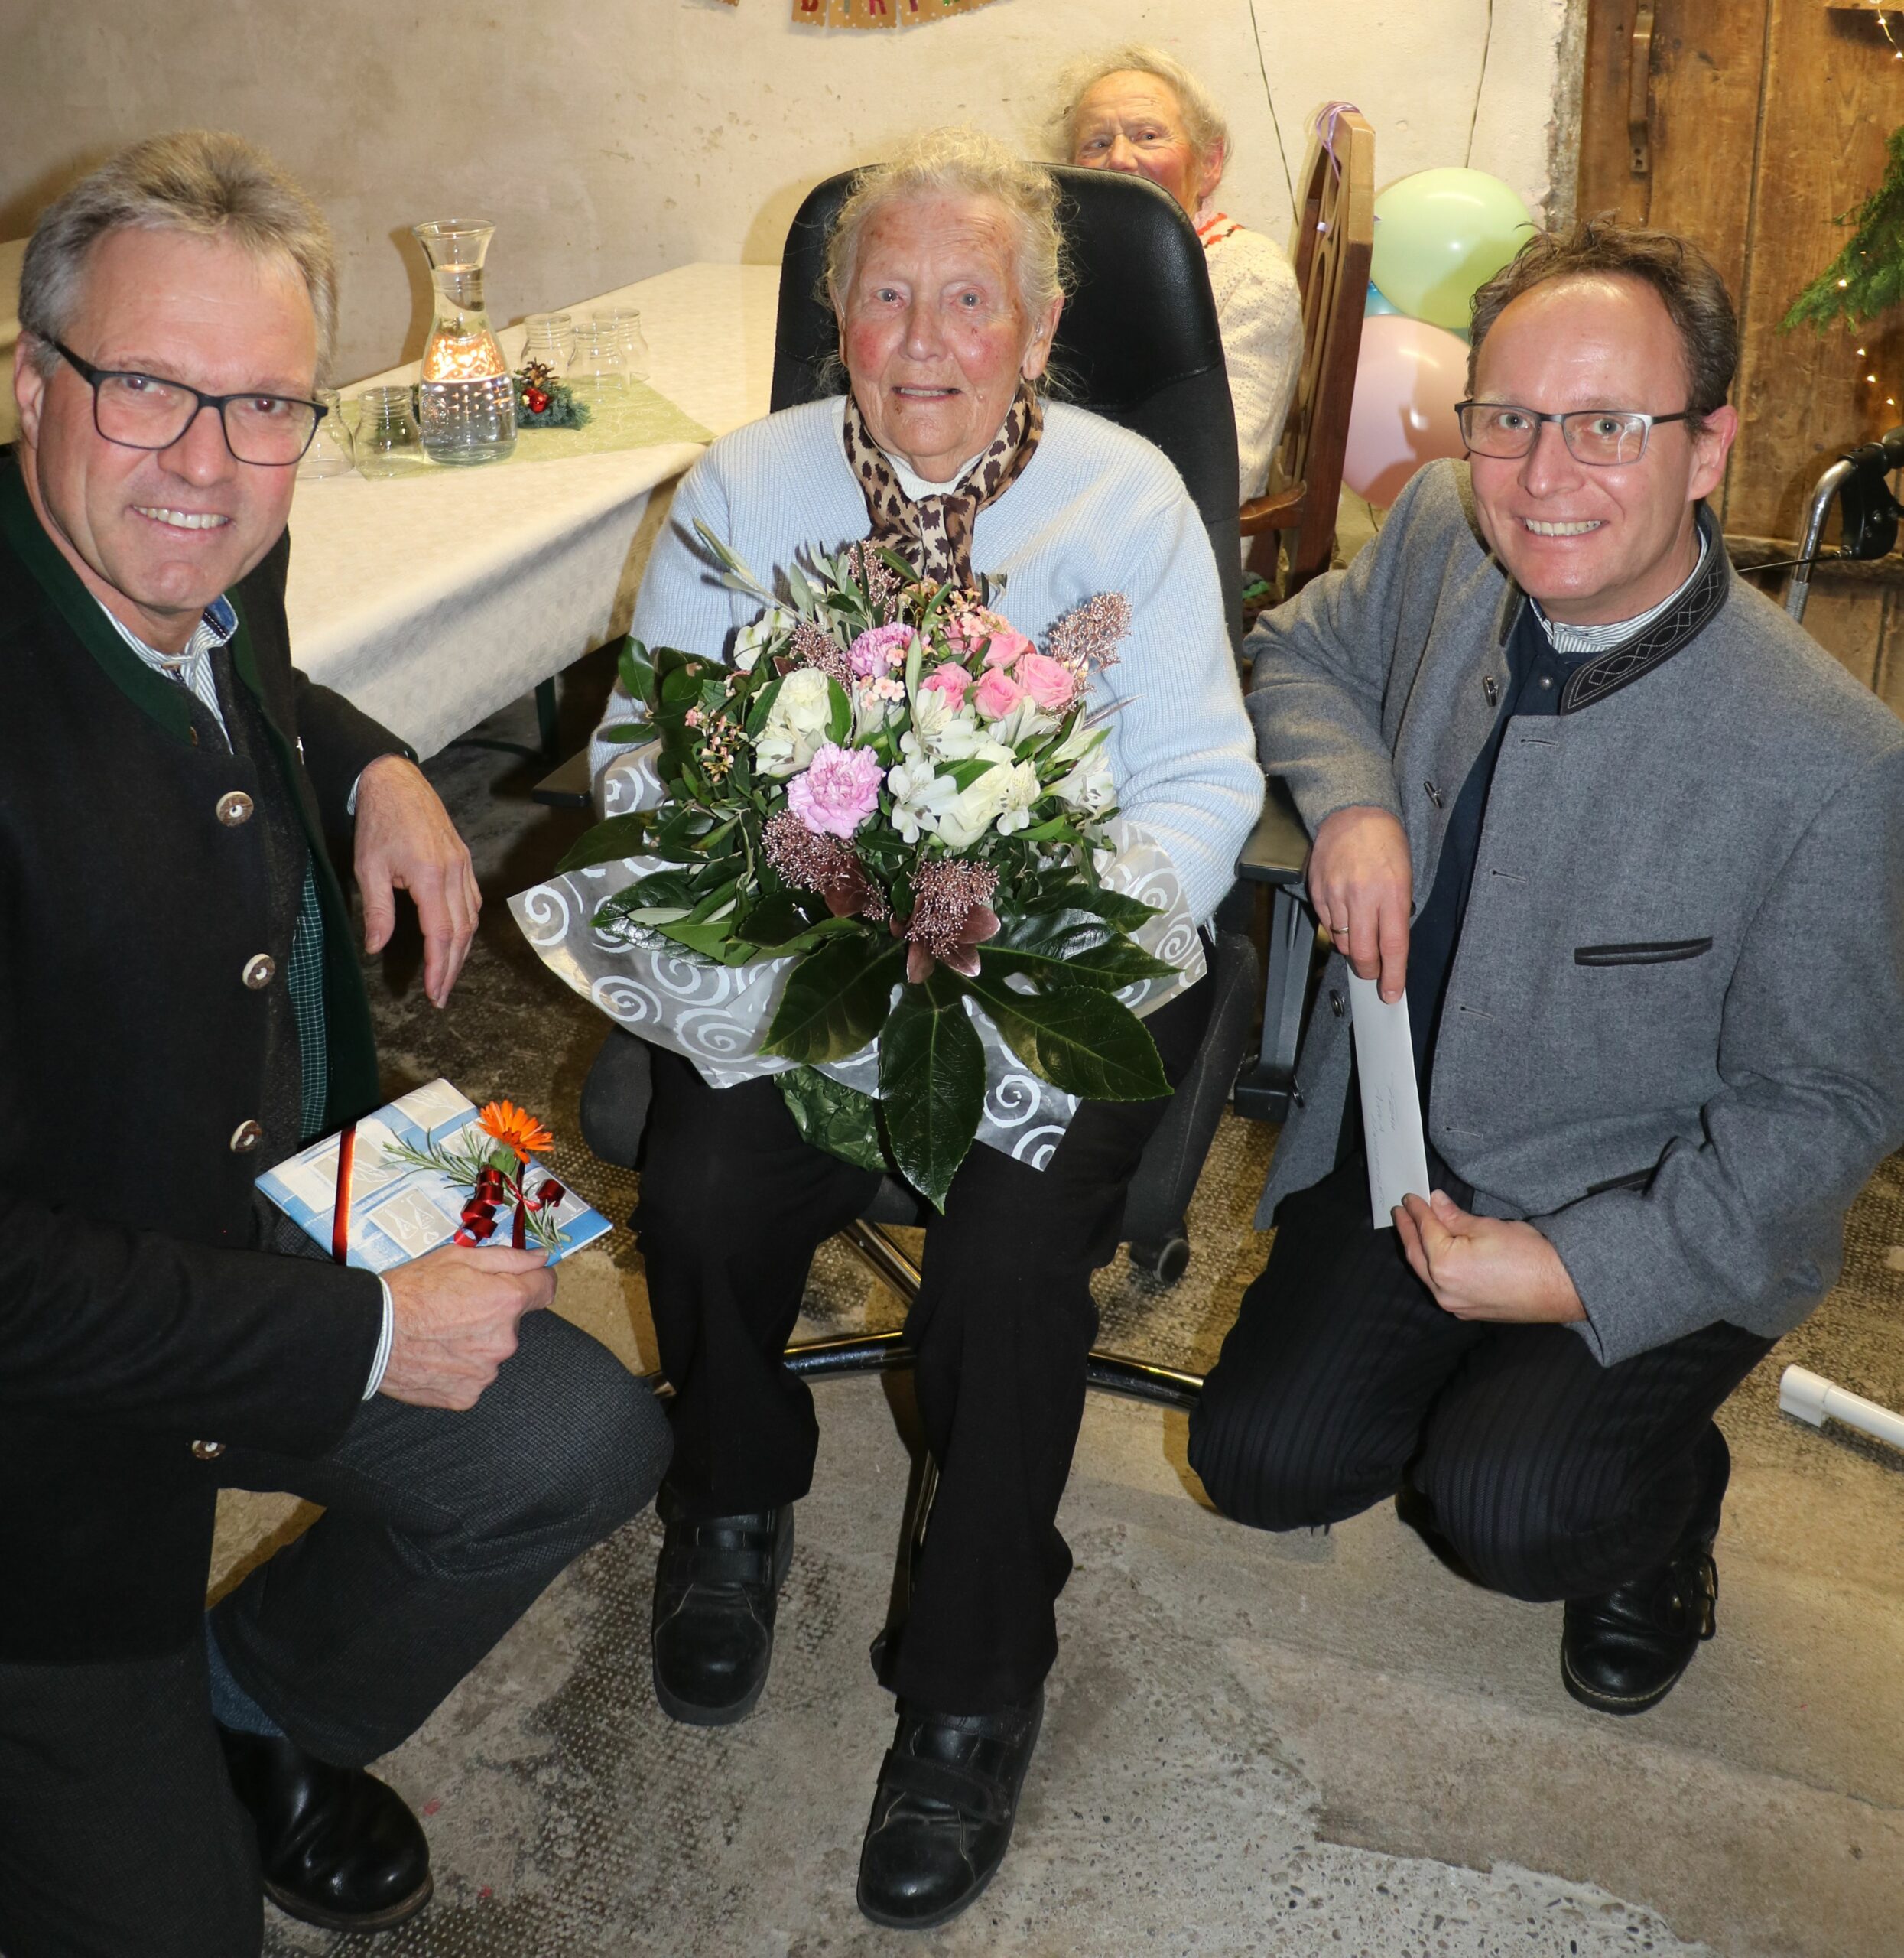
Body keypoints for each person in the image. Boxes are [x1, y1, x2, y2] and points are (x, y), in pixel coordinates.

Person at [0, 131, 671, 1956]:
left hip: (277, 1155)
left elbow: (249, 667)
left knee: (590, 1434)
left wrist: (371, 762)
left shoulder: (208, 534)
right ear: (29, 379)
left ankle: (249, 1709)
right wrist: (370, 1330)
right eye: (146, 386)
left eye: (267, 405)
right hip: (49, 1447)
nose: (209, 465)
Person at [589, 128, 1260, 1930]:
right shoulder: (745, 487)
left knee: (1008, 1266)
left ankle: (973, 1677)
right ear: (836, 318)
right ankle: (730, 1496)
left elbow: (1204, 777)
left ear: (1038, 326)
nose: (924, 335)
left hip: (1059, 960)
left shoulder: (1127, 502)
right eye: (885, 292)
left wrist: (1045, 915)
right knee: (701, 1187)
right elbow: (645, 749)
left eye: (970, 296)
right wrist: (791, 863)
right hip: (815, 950)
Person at [1189, 217, 1904, 1716]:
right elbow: (1298, 654)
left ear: (1708, 449)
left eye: (1608, 425)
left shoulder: (1835, 763)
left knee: (1508, 1508)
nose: (1543, 474)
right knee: (1261, 1462)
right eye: (1509, 418)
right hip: (1414, 1150)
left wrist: (1580, 1271)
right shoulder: (1445, 527)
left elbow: (1823, 1110)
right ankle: (1492, 1396)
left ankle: (1666, 1498)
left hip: (1645, 1198)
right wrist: (1356, 803)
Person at [1058, 44, 1303, 509]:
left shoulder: (1249, 276)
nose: (1120, 159)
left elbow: (1225, 475)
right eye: (1097, 144)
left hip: (1165, 537)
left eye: (1148, 136)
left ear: (1209, 163)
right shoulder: (1059, 271)